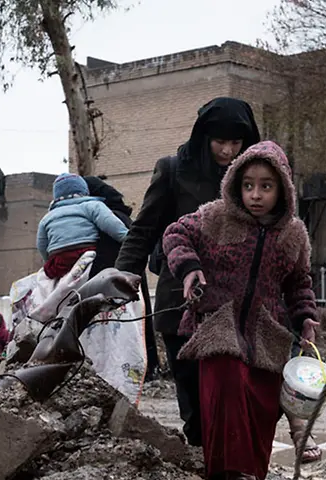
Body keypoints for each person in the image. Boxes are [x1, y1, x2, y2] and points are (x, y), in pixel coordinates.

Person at [162, 141, 321, 480]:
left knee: (262, 405)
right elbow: (175, 234)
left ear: (283, 188)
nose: (255, 194)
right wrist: (189, 269)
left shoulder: (293, 233)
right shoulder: (214, 216)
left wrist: (307, 316)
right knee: (227, 384)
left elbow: (299, 282)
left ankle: (250, 475)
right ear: (236, 183)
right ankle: (236, 476)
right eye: (248, 185)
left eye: (266, 186)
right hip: (218, 322)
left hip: (268, 333)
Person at [114, 97, 261, 447]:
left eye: (236, 143)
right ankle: (201, 457)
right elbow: (143, 230)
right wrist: (120, 277)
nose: (227, 151)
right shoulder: (172, 170)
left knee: (236, 389)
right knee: (194, 394)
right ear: (203, 137)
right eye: (219, 142)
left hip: (235, 300)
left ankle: (232, 463)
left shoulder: (252, 179)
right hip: (181, 298)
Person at [83, 176, 159, 379]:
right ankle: (148, 368)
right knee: (136, 327)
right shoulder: (122, 217)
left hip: (109, 284)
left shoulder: (100, 218)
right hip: (131, 283)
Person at [36, 173, 129, 280]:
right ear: (84, 190)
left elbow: (41, 244)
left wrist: (49, 260)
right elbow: (112, 225)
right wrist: (128, 239)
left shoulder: (47, 217)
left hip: (59, 261)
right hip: (87, 254)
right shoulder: (92, 205)